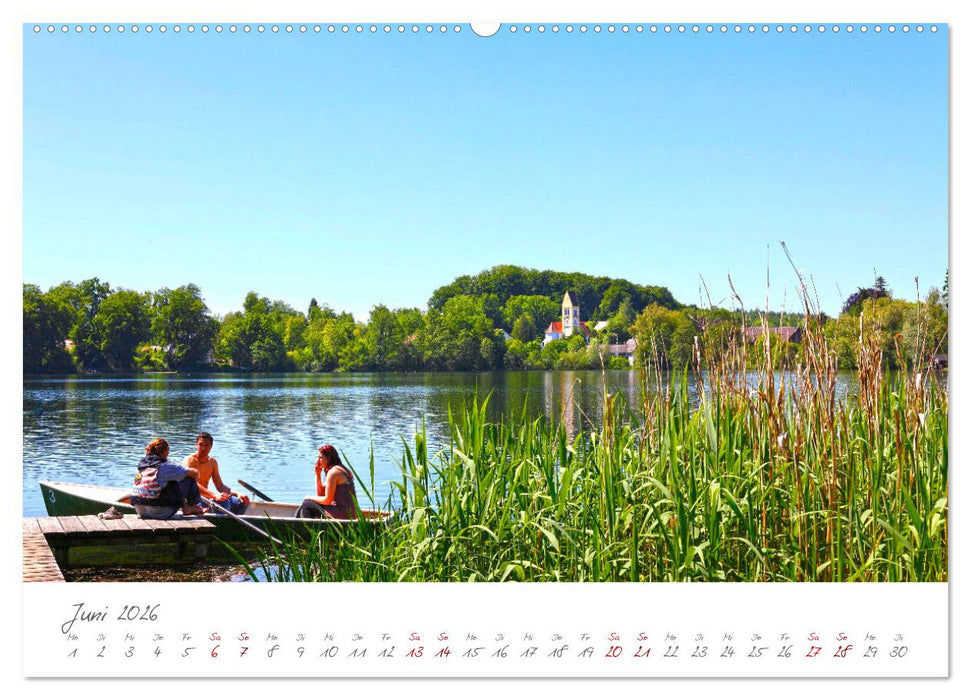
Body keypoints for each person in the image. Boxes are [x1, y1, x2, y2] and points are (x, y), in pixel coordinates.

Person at [130, 438, 207, 518]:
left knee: (169, 482)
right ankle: (193, 506)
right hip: (159, 512)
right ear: (165, 451)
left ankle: (186, 506)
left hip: (140, 511)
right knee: (188, 478)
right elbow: (195, 473)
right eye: (168, 450)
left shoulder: (142, 464)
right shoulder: (166, 466)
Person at [183, 432, 249, 515]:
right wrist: (214, 496)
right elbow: (192, 484)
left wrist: (238, 493)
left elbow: (220, 486)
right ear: (196, 445)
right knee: (225, 504)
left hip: (208, 498)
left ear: (211, 446)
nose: (203, 448)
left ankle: (234, 526)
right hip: (193, 501)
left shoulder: (212, 462)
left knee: (241, 502)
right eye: (201, 444)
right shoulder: (189, 460)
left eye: (207, 445)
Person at [294, 444, 358, 519]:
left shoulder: (333, 472)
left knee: (306, 505)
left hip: (341, 514)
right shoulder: (341, 469)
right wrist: (318, 475)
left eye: (320, 457)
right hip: (349, 514)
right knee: (307, 504)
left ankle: (306, 529)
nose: (318, 461)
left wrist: (309, 497)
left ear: (329, 458)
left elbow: (327, 500)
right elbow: (321, 494)